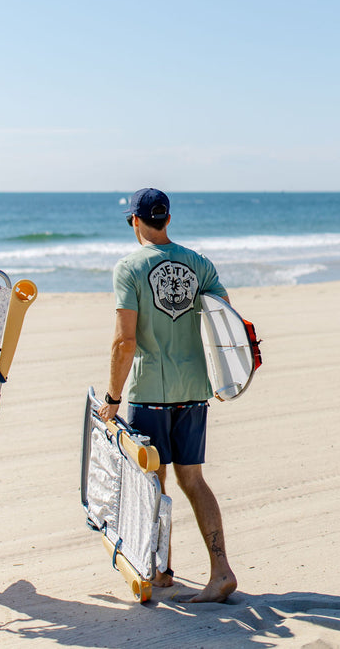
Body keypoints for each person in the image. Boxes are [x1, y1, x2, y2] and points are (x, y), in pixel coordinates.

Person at [99, 188, 237, 603]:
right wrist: (226, 378)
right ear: (168, 220)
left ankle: (161, 571)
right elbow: (225, 322)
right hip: (194, 389)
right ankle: (221, 570)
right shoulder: (199, 263)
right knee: (193, 479)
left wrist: (112, 397)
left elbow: (124, 342)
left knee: (152, 484)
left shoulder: (129, 267)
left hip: (150, 393)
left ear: (135, 221)